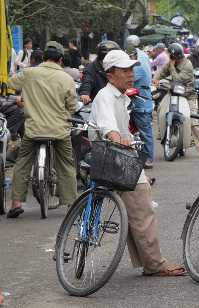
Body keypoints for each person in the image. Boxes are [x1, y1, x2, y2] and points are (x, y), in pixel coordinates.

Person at [89, 49, 186, 276]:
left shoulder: (121, 96)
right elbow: (108, 127)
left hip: (118, 155)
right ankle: (154, 263)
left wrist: (128, 140)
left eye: (131, 69)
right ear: (110, 74)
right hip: (114, 158)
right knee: (142, 207)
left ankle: (149, 261)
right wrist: (118, 138)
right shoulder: (106, 95)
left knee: (137, 209)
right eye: (125, 70)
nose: (131, 74)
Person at [6, 41, 77, 218]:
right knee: (66, 164)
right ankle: (70, 203)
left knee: (22, 162)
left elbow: (10, 83)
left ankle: (16, 203)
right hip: (59, 131)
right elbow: (72, 105)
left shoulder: (30, 73)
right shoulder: (66, 78)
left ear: (43, 58)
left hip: (33, 130)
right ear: (60, 60)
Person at [154, 43, 199, 147]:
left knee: (193, 121)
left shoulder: (187, 65)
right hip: (173, 93)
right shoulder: (171, 62)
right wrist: (155, 79)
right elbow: (162, 72)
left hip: (188, 95)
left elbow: (177, 79)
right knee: (160, 109)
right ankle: (161, 132)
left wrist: (171, 66)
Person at [126, 35, 155, 169]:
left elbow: (131, 79)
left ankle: (148, 157)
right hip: (138, 100)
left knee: (145, 131)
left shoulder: (138, 64)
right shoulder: (142, 55)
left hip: (141, 102)